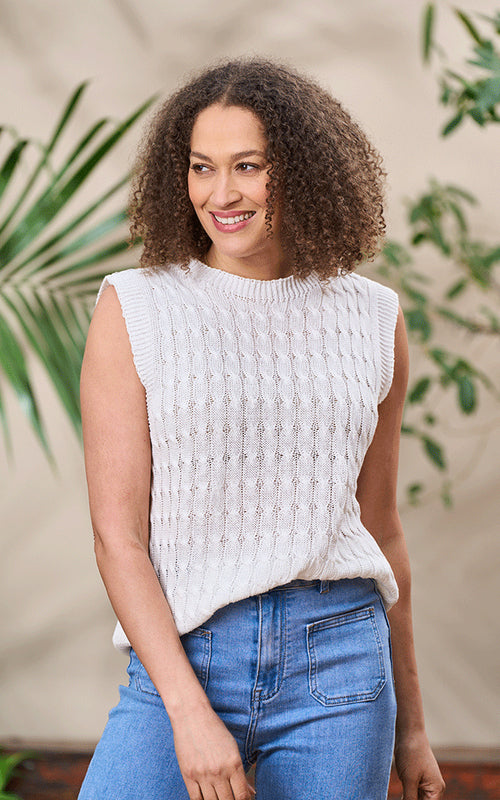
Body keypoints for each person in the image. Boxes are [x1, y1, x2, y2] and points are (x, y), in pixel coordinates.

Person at [78, 57, 446, 800]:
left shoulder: (374, 317)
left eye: (248, 166)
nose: (221, 194)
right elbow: (119, 538)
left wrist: (412, 727)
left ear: (302, 172)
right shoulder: (136, 307)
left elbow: (382, 528)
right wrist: (188, 712)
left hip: (341, 664)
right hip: (185, 652)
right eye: (201, 167)